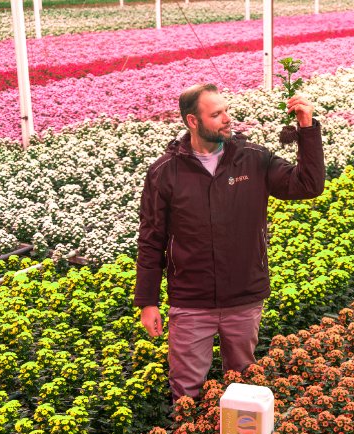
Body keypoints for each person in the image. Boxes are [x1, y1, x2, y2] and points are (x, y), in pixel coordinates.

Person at [134, 83, 325, 402]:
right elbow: (151, 240)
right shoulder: (165, 173)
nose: (226, 118)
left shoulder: (252, 159)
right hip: (191, 301)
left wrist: (306, 128)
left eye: (226, 111)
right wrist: (147, 301)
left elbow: (307, 185)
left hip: (243, 296)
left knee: (243, 383)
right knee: (186, 387)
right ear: (192, 121)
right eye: (216, 114)